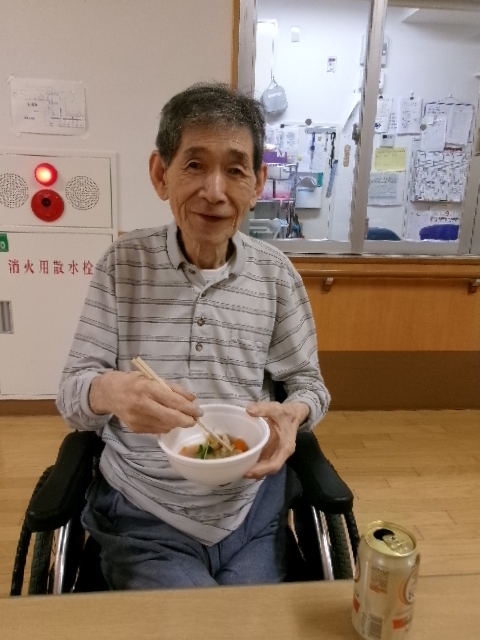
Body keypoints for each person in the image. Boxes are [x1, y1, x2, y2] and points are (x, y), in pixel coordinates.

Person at [57, 82, 330, 590]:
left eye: (235, 169)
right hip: (143, 512)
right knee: (200, 623)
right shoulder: (122, 267)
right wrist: (112, 392)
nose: (215, 191)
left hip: (251, 509)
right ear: (161, 174)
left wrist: (294, 414)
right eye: (195, 165)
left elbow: (310, 385)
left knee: (251, 623)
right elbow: (72, 394)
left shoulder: (276, 276)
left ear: (258, 182)